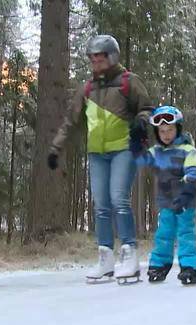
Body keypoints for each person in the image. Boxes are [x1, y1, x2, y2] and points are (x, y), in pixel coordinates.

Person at [48, 35, 154, 282]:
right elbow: (70, 122)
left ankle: (129, 254)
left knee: (119, 199)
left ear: (112, 57)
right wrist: (56, 149)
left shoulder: (128, 82)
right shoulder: (87, 89)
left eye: (100, 58)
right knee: (101, 205)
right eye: (92, 59)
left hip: (124, 149)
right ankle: (106, 257)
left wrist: (141, 122)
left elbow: (147, 108)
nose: (95, 63)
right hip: (97, 153)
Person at [134, 106, 196, 285]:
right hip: (166, 202)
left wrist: (187, 192)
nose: (166, 134)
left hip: (185, 201)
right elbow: (139, 159)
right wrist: (136, 139)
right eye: (162, 131)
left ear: (178, 128)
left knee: (186, 233)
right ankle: (159, 265)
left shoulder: (188, 150)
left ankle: (189, 267)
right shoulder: (156, 152)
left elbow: (194, 171)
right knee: (164, 234)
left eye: (170, 129)